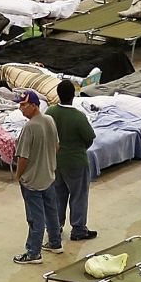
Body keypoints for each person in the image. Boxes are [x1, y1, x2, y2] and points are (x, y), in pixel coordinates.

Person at [46, 79, 97, 245]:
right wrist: (79, 148)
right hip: (76, 161)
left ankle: (56, 227)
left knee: (58, 195)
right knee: (79, 195)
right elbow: (89, 138)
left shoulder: (50, 112)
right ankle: (78, 229)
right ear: (73, 95)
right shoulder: (78, 117)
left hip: (56, 162)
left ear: (58, 95)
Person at [12, 90, 60, 264]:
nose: (20, 108)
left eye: (23, 105)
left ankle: (33, 253)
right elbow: (56, 146)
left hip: (32, 181)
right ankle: (55, 243)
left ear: (33, 105)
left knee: (35, 217)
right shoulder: (49, 120)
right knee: (51, 212)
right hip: (48, 175)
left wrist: (18, 175)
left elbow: (23, 157)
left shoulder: (30, 127)